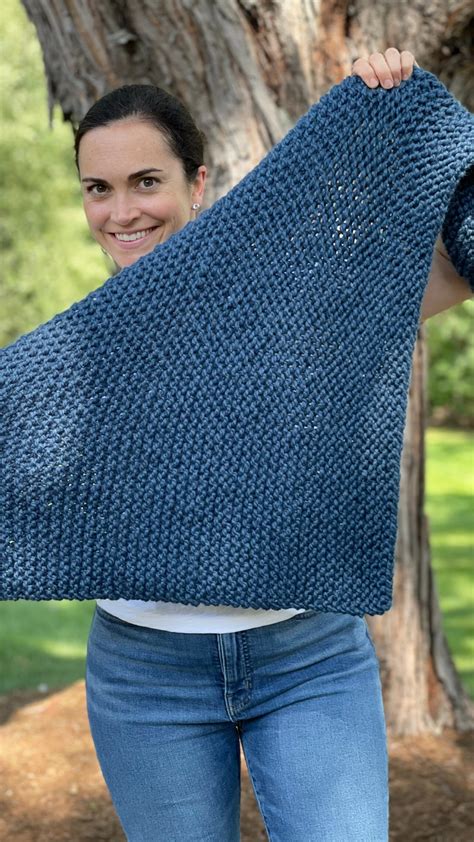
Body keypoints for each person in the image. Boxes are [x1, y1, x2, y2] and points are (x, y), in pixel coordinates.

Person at [78, 49, 471, 841]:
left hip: (309, 660)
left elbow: (456, 269)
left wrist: (410, 119)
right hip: (143, 678)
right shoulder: (73, 352)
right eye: (99, 188)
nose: (122, 211)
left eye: (146, 181)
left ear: (197, 182)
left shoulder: (300, 297)